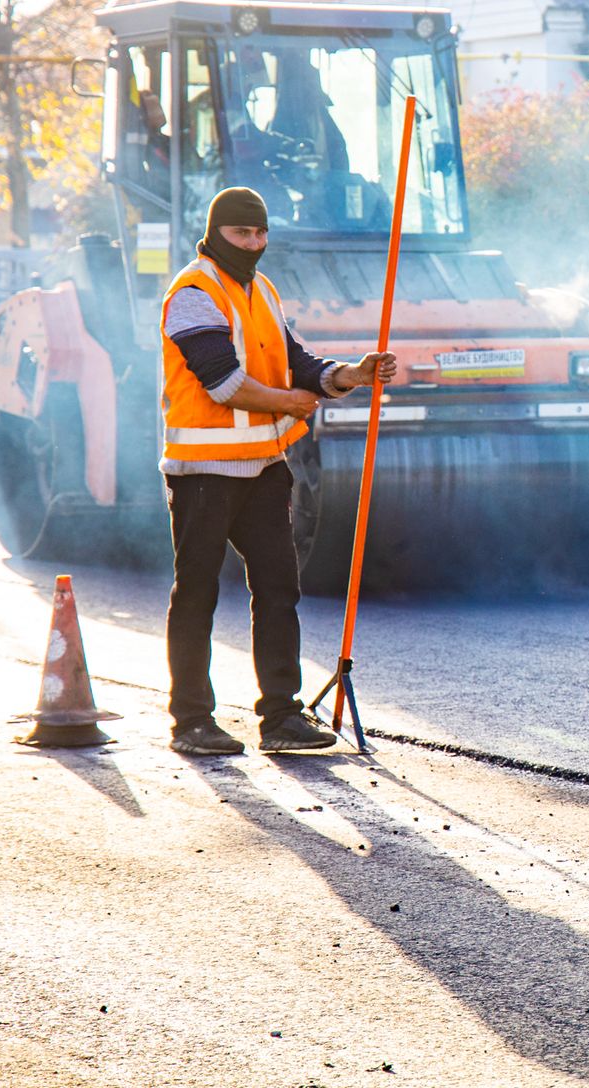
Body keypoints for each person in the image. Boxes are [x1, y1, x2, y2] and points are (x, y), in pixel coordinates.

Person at [160, 185, 397, 755]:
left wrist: (351, 375)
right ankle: (192, 721)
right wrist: (289, 403)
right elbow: (223, 382)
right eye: (243, 233)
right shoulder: (194, 292)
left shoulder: (260, 289)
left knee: (278, 590)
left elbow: (296, 363)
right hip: (203, 472)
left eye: (261, 233)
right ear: (216, 232)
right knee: (197, 592)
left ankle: (281, 719)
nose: (254, 243)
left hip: (264, 467)